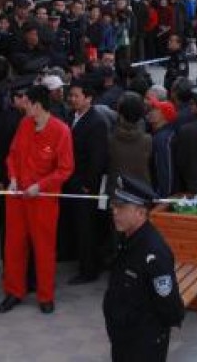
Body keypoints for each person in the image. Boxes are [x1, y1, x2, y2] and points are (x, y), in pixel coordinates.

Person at [0, 85, 75, 315]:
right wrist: (12, 177)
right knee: (13, 247)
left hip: (43, 200)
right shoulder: (24, 125)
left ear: (38, 105)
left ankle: (45, 295)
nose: (23, 105)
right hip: (18, 198)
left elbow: (65, 169)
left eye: (26, 102)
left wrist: (40, 186)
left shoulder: (61, 131)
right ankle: (13, 292)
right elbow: (12, 155)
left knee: (44, 249)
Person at [103, 174, 184, 361]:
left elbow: (169, 305)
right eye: (114, 206)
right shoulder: (128, 240)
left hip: (143, 345)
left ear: (140, 213)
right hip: (124, 338)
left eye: (121, 207)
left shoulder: (154, 253)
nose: (115, 211)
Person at [62, 78, 110, 285]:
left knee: (87, 227)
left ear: (88, 98)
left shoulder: (96, 122)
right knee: (77, 224)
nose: (72, 99)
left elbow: (97, 158)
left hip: (85, 185)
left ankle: (89, 269)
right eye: (70, 95)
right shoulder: (71, 117)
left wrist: (87, 185)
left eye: (76, 96)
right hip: (72, 181)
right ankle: (76, 256)